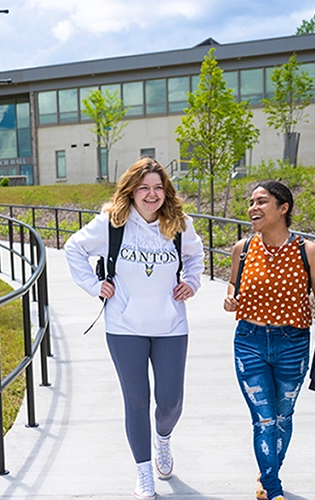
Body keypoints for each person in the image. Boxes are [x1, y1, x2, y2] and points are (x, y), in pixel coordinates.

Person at [65, 157, 204, 499]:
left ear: (166, 192)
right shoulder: (112, 224)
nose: (151, 194)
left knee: (170, 401)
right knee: (137, 400)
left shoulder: (178, 224)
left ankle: (163, 439)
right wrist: (95, 286)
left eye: (158, 187)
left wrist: (191, 281)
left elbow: (195, 256)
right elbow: (73, 249)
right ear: (131, 191)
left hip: (171, 324)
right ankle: (144, 473)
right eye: (144, 187)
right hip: (124, 325)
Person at [223, 180, 315, 500]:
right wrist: (230, 297)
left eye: (261, 202)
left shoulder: (308, 251)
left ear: (283, 208)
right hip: (249, 341)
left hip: (293, 343)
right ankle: (274, 490)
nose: (252, 208)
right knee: (263, 418)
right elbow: (232, 284)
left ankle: (268, 475)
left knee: (282, 417)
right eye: (251, 202)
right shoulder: (243, 249)